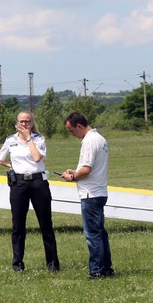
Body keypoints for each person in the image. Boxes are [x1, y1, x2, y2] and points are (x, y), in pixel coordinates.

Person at [0, 111, 60, 272]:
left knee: (45, 223)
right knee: (18, 225)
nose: (24, 124)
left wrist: (28, 138)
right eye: (21, 121)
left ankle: (52, 264)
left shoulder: (39, 139)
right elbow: (0, 158)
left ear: (32, 123)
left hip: (38, 182)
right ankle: (18, 263)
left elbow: (37, 157)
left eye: (28, 121)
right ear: (17, 123)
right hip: (19, 184)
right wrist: (12, 166)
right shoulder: (11, 140)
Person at [61, 112, 113, 279]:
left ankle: (96, 271)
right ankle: (106, 268)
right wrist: (75, 172)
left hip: (90, 194)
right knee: (100, 233)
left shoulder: (89, 141)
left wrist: (73, 177)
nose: (72, 135)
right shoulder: (100, 138)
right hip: (99, 192)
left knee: (93, 235)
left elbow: (86, 169)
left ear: (79, 126)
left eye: (71, 131)